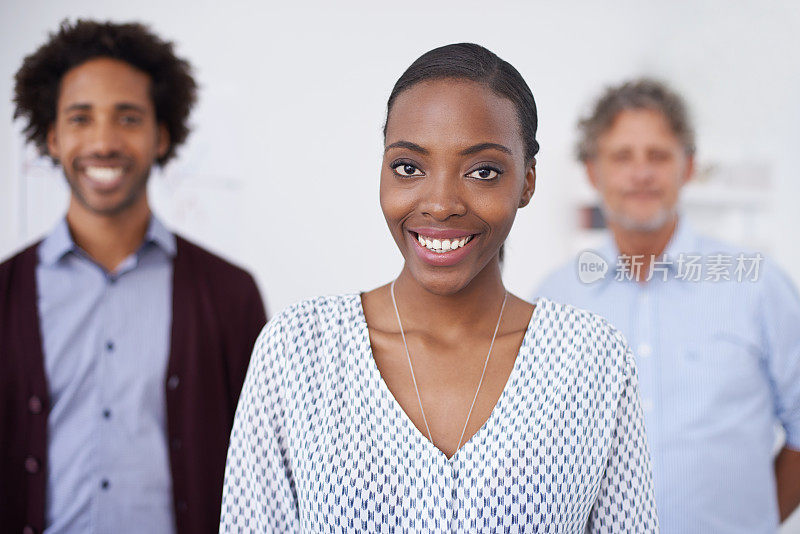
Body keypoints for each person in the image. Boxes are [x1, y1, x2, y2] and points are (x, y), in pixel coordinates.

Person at [220, 43, 657, 533]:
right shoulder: (298, 350)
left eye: (483, 172)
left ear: (527, 182)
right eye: (408, 167)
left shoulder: (591, 358)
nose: (441, 204)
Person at [0, 20, 267, 534]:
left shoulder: (230, 295)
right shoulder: (5, 294)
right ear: (52, 137)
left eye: (127, 117)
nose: (103, 142)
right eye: (81, 119)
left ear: (161, 134)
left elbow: (263, 474)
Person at [536, 78, 800, 533]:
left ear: (688, 167)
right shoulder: (555, 299)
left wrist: (753, 523)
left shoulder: (758, 286)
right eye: (622, 157)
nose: (641, 174)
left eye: (658, 155)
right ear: (593, 173)